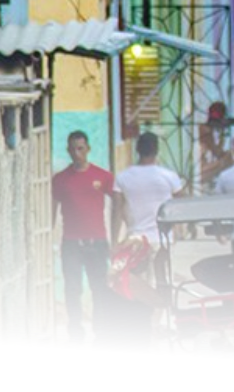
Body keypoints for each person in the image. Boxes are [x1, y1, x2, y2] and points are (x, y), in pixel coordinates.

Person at [52, 130, 119, 348]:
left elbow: (118, 201)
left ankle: (101, 330)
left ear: (88, 149)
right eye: (73, 149)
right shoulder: (61, 180)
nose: (77, 153)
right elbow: (52, 210)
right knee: (72, 288)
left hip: (96, 241)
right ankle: (75, 332)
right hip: (71, 243)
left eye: (80, 148)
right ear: (68, 151)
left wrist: (115, 237)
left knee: (99, 288)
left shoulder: (102, 177)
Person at [114, 132, 187, 247]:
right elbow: (182, 202)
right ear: (157, 150)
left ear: (137, 150)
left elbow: (117, 211)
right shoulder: (169, 177)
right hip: (163, 239)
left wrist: (114, 241)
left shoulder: (122, 178)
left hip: (135, 239)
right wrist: (178, 228)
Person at [97, 237, 167, 353]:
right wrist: (159, 267)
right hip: (125, 341)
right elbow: (161, 301)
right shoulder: (127, 280)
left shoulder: (114, 277)